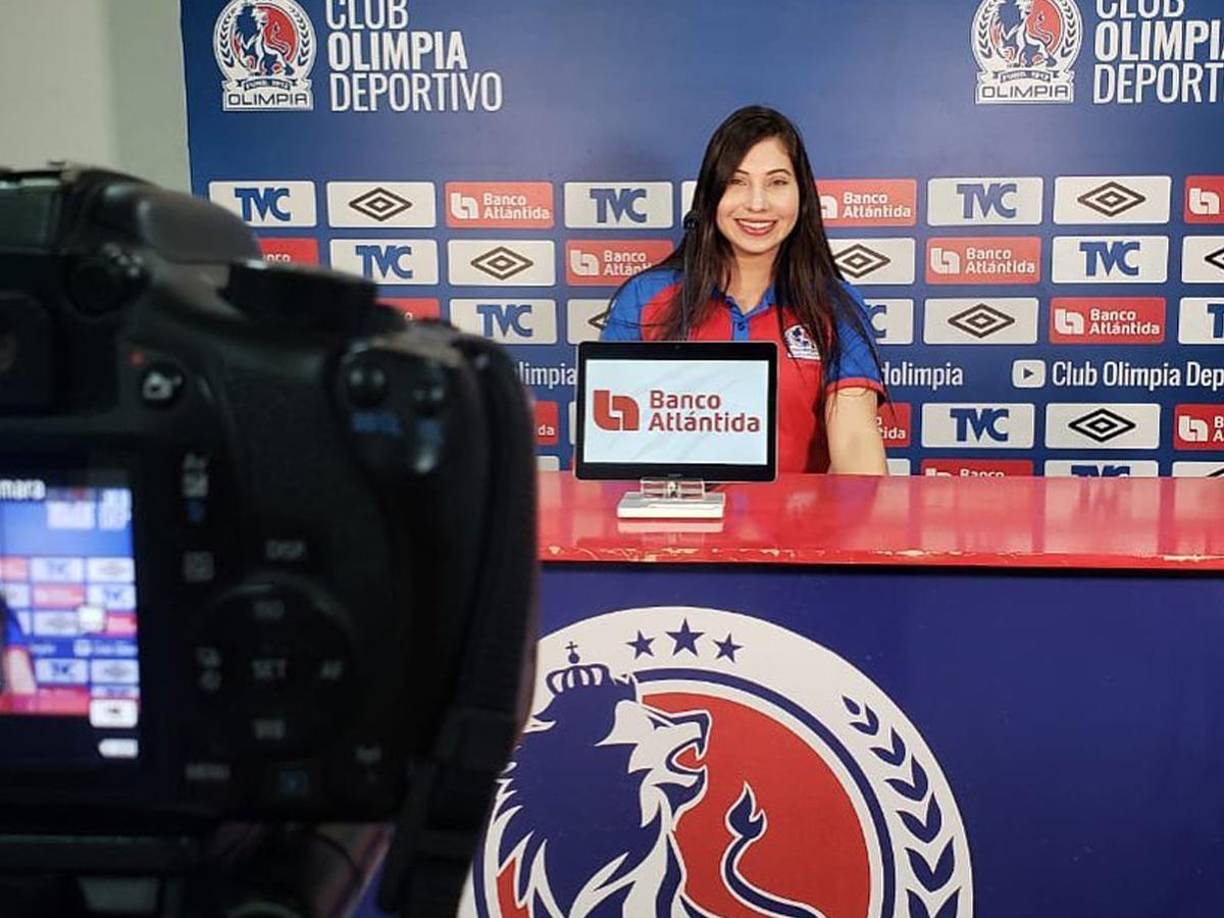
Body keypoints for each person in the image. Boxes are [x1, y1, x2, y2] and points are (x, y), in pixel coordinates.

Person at [600, 106, 888, 475]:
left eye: (777, 182)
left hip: (795, 531)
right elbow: (607, 444)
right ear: (710, 195)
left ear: (802, 198)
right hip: (671, 527)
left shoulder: (835, 305)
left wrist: (868, 529)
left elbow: (855, 444)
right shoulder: (643, 298)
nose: (757, 203)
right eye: (737, 182)